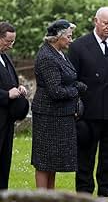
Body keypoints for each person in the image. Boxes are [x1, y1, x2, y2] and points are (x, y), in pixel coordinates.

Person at [68, 7, 108, 196]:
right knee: (86, 155)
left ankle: (106, 191)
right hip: (88, 113)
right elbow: (72, 79)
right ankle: (84, 193)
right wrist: (74, 108)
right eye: (106, 23)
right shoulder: (78, 46)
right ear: (95, 21)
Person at [31, 19, 87, 189]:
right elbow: (56, 91)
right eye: (69, 36)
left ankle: (51, 196)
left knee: (52, 162)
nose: (71, 40)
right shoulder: (47, 57)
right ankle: (42, 199)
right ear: (58, 37)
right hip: (48, 116)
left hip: (60, 116)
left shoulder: (59, 53)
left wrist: (76, 85)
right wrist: (77, 90)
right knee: (44, 162)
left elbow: (68, 79)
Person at [0, 22, 28, 189]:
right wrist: (6, 95)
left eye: (13, 42)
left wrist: (19, 88)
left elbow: (8, 82)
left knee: (4, 161)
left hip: (7, 120)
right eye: (8, 41)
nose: (11, 45)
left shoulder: (5, 57)